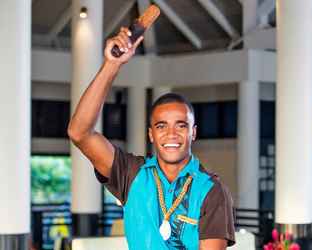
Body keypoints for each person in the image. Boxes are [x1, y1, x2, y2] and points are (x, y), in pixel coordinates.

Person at [68, 27, 235, 250]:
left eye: (181, 125)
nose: (171, 134)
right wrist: (112, 65)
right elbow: (79, 132)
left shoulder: (211, 190)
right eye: (161, 126)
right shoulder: (131, 173)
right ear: (151, 134)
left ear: (193, 132)